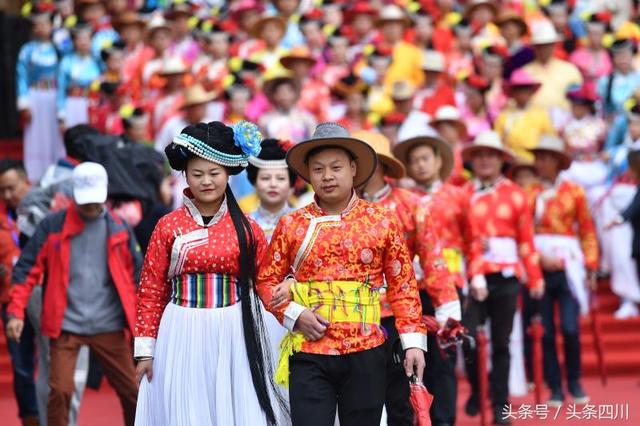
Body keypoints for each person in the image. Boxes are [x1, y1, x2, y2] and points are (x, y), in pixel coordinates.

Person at [256, 123, 426, 426]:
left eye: (336, 167)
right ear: (308, 174)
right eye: (318, 169)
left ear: (353, 168)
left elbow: (403, 285)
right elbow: (266, 281)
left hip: (367, 349)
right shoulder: (292, 224)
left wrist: (413, 341)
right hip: (308, 348)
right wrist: (294, 314)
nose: (328, 176)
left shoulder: (382, 221)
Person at [133, 121, 285, 426]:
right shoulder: (168, 226)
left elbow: (267, 283)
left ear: (227, 174)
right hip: (181, 327)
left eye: (214, 173)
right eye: (197, 173)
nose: (206, 181)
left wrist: (293, 312)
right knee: (187, 410)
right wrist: (145, 349)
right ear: (185, 175)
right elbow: (151, 290)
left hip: (235, 328)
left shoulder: (249, 228)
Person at [5, 162, 140, 426]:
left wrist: (144, 325)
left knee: (133, 392)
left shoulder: (119, 227)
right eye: (84, 200)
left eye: (95, 200)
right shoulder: (52, 226)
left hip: (109, 324)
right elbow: (26, 269)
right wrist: (15, 311)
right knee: (61, 392)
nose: (90, 206)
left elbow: (137, 277)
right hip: (66, 324)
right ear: (73, 193)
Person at [356, 129, 460, 426]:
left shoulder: (410, 204)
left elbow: (433, 259)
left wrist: (447, 310)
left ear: (380, 165)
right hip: (350, 313)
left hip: (399, 312)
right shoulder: (343, 207)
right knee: (358, 397)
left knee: (400, 396)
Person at [461, 131, 544, 425]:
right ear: (472, 160)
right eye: (479, 155)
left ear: (500, 160)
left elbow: (526, 240)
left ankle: (500, 403)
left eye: (491, 155)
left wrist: (535, 277)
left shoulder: (518, 195)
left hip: (507, 276)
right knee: (468, 339)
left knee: (502, 343)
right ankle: (476, 388)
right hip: (472, 275)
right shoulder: (463, 194)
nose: (484, 160)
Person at [528, 135, 598, 406]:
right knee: (544, 331)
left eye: (546, 157)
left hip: (568, 265)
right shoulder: (528, 192)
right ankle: (554, 386)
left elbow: (587, 230)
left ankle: (575, 380)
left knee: (569, 328)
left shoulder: (574, 191)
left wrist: (591, 265)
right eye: (538, 157)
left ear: (558, 162)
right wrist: (537, 256)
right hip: (538, 266)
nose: (541, 162)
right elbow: (521, 233)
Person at [0, 160, 38, 426]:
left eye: (11, 188)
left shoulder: (44, 212)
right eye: (2, 191)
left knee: (51, 363)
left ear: (27, 182)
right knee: (21, 367)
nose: (7, 196)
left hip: (43, 295)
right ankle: (31, 419)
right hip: (11, 300)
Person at [16, 4, 65, 182]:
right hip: (35, 95)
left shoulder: (59, 48)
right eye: (37, 25)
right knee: (36, 134)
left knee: (54, 134)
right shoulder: (27, 50)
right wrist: (24, 102)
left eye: (45, 24)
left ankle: (56, 172)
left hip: (55, 96)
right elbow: (21, 76)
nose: (41, 28)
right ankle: (35, 172)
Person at [494, 69, 556, 161]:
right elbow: (497, 142)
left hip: (535, 163)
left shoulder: (541, 114)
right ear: (512, 93)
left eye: (526, 89)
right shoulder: (504, 116)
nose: (523, 93)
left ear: (531, 92)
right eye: (519, 89)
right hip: (510, 161)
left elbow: (550, 141)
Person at [246, 138, 296, 242]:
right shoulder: (244, 224)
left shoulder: (303, 222)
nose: (273, 184)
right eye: (265, 178)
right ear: (254, 182)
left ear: (290, 183)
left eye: (280, 178)